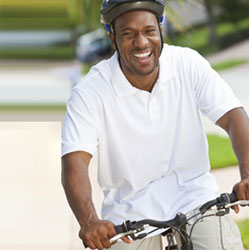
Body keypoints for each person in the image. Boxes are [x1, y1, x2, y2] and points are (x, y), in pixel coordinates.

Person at [61, 0, 249, 249]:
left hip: (195, 197)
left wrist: (248, 174)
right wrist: (89, 221)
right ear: (112, 37)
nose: (141, 43)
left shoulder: (187, 64)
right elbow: (74, 160)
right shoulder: (89, 92)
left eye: (149, 31)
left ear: (160, 29)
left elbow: (233, 116)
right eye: (128, 34)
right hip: (127, 212)